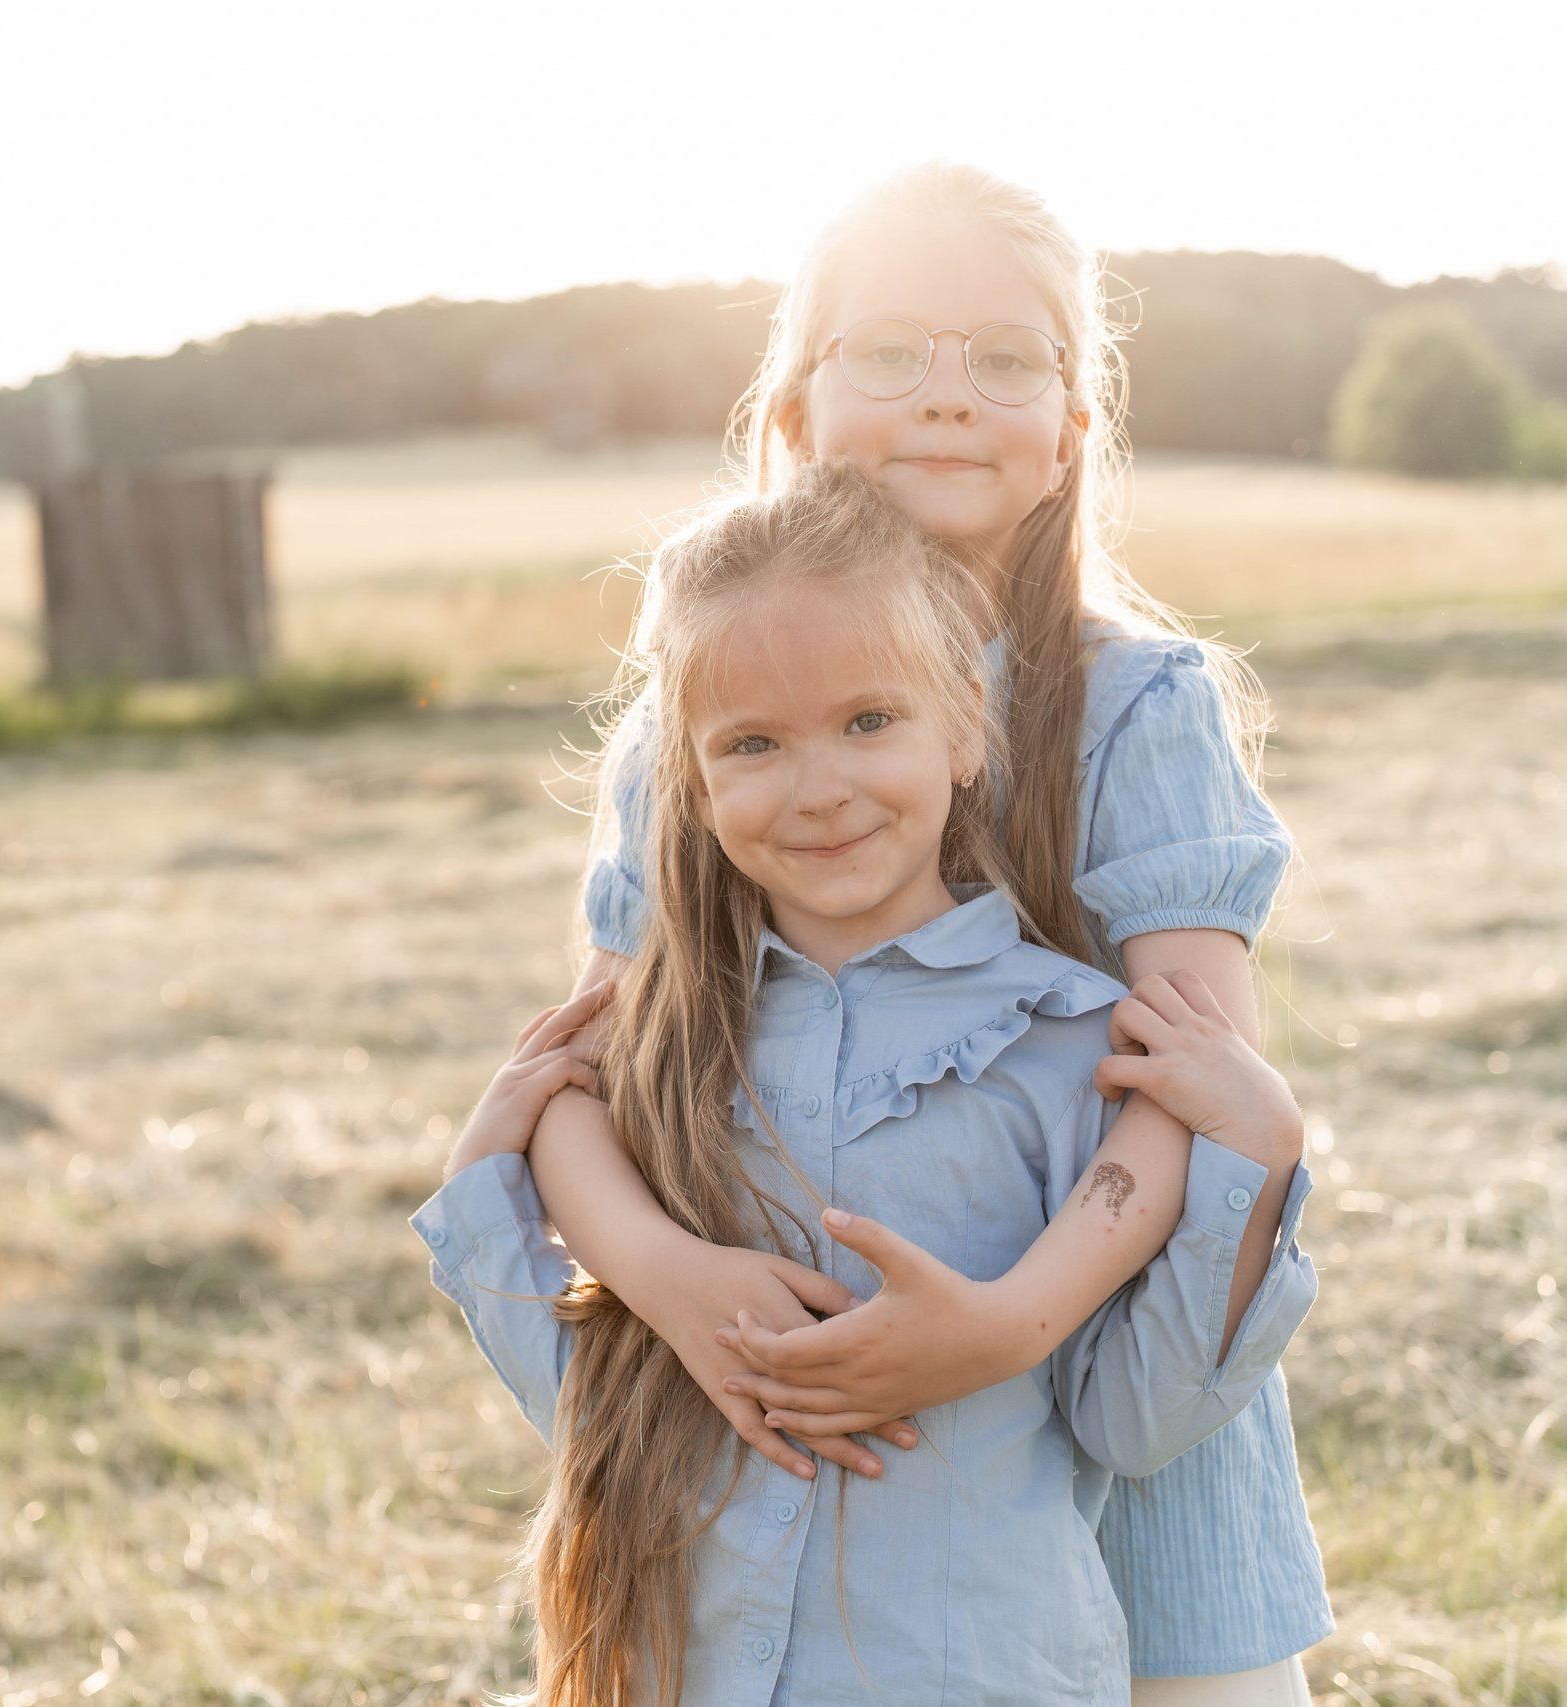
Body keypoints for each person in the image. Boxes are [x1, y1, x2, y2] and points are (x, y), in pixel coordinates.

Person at [508, 164, 1331, 1702]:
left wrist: (1006, 1326)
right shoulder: (697, 732)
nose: (948, 398)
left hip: (1114, 1398)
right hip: (788, 1428)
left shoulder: (1133, 706)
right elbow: (579, 1087)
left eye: (1006, 359)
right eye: (889, 351)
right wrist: (671, 1277)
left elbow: (1192, 1086)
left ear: (1076, 425)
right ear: (797, 411)